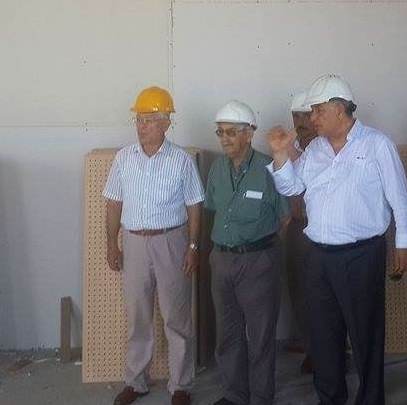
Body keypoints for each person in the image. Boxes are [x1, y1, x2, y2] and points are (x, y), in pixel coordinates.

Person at [266, 74, 407, 405]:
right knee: (323, 336)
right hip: (318, 256)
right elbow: (292, 187)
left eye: (318, 110)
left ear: (339, 109)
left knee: (366, 334)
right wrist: (280, 154)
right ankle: (330, 398)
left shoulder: (376, 145)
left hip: (361, 255)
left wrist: (405, 244)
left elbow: (399, 197)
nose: (312, 118)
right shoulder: (315, 150)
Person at [103, 86, 204, 405]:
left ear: (166, 123)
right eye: (138, 120)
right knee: (138, 315)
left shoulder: (181, 160)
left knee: (176, 317)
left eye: (148, 120)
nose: (141, 126)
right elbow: (113, 204)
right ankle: (136, 381)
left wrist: (193, 247)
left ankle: (181, 385)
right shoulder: (124, 158)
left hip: (171, 241)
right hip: (134, 243)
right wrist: (112, 244)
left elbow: (194, 206)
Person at [204, 101, 290, 405]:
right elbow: (213, 208)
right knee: (228, 333)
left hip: (258, 261)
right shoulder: (217, 168)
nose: (224, 138)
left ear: (249, 134)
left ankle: (262, 397)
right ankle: (234, 395)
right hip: (221, 260)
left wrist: (264, 250)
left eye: (231, 132)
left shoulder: (269, 169)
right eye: (220, 132)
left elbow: (285, 216)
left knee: (261, 335)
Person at [282, 90, 317, 374]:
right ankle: (310, 347)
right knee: (299, 291)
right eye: (296, 116)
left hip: (322, 230)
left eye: (306, 115)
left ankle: (332, 350)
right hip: (296, 227)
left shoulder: (329, 147)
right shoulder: (288, 147)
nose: (301, 121)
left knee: (324, 293)